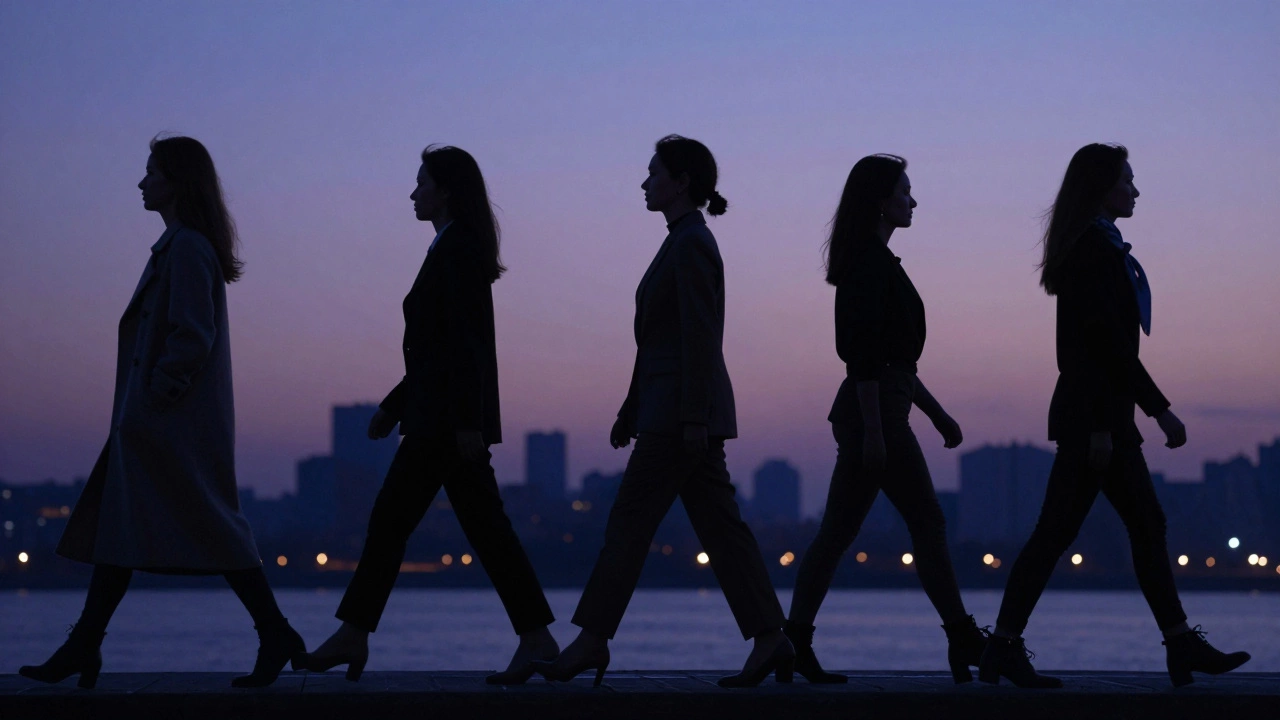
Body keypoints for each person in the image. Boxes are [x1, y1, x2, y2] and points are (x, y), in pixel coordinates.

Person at [19, 136, 304, 689]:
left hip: (169, 423)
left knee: (206, 526)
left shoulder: (188, 248)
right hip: (159, 422)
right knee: (123, 527)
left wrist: (155, 398)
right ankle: (87, 644)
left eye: (151, 172)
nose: (142, 182)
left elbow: (192, 335)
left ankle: (272, 631)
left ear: (177, 182)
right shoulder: (181, 246)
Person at [978, 143, 1251, 688]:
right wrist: (1146, 415)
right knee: (1075, 532)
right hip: (1096, 419)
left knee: (1123, 527)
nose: (1136, 190)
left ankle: (1176, 643)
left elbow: (1103, 346)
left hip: (1100, 416)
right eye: (1127, 180)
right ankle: (1007, 646)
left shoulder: (1096, 246)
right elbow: (1099, 346)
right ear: (1101, 188)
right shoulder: (1092, 252)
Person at [532, 135, 792, 689]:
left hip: (678, 418)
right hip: (673, 411)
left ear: (681, 182)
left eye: (653, 173)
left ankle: (592, 640)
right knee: (721, 529)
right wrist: (632, 408)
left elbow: (700, 336)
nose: (644, 183)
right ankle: (771, 636)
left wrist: (691, 417)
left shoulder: (691, 243)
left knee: (628, 524)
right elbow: (660, 341)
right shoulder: (681, 241)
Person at [295, 145, 557, 685]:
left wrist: (465, 423)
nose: (413, 193)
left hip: (444, 425)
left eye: (421, 183)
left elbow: (464, 346)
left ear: (446, 191)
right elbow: (439, 350)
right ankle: (535, 638)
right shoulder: (451, 247)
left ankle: (354, 634)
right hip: (441, 419)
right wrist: (395, 406)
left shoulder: (457, 250)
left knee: (398, 523)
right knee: (480, 530)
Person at [785, 155, 988, 685]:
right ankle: (962, 637)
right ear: (880, 201)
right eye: (904, 191)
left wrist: (938, 415)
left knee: (839, 533)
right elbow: (863, 357)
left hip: (880, 409)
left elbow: (896, 362)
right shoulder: (867, 265)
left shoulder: (877, 262)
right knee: (926, 522)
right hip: (873, 415)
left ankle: (793, 644)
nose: (913, 201)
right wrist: (876, 432)